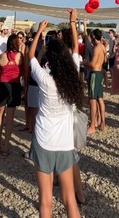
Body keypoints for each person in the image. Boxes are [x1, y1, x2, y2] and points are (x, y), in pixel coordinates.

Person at [28, 19, 85, 217]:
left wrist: (40, 34)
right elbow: (76, 48)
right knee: (70, 200)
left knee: (45, 202)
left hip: (44, 140)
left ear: (50, 60)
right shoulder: (73, 75)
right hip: (65, 143)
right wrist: (72, 23)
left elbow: (31, 56)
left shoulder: (44, 78)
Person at [0, 34, 24, 155]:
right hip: (13, 85)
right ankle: (6, 146)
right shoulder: (19, 56)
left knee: (0, 114)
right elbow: (23, 72)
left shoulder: (2, 55)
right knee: (10, 117)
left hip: (2, 84)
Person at [84, 29, 107, 134]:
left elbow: (93, 64)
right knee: (100, 99)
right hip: (100, 74)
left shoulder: (96, 48)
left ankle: (92, 125)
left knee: (92, 100)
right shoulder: (102, 47)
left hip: (94, 74)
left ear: (93, 37)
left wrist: (84, 62)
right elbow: (105, 61)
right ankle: (102, 123)